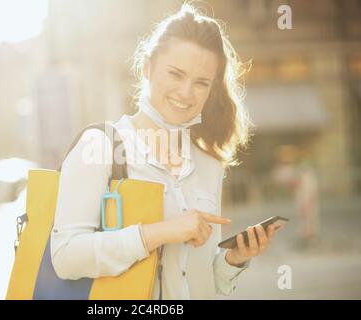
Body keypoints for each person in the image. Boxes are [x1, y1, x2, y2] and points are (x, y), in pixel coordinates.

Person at [50, 4, 281, 299]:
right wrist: (161, 232)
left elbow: (205, 284)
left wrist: (234, 260)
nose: (186, 92)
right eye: (176, 74)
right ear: (147, 67)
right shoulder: (100, 147)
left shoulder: (209, 164)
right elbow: (66, 257)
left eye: (201, 83)